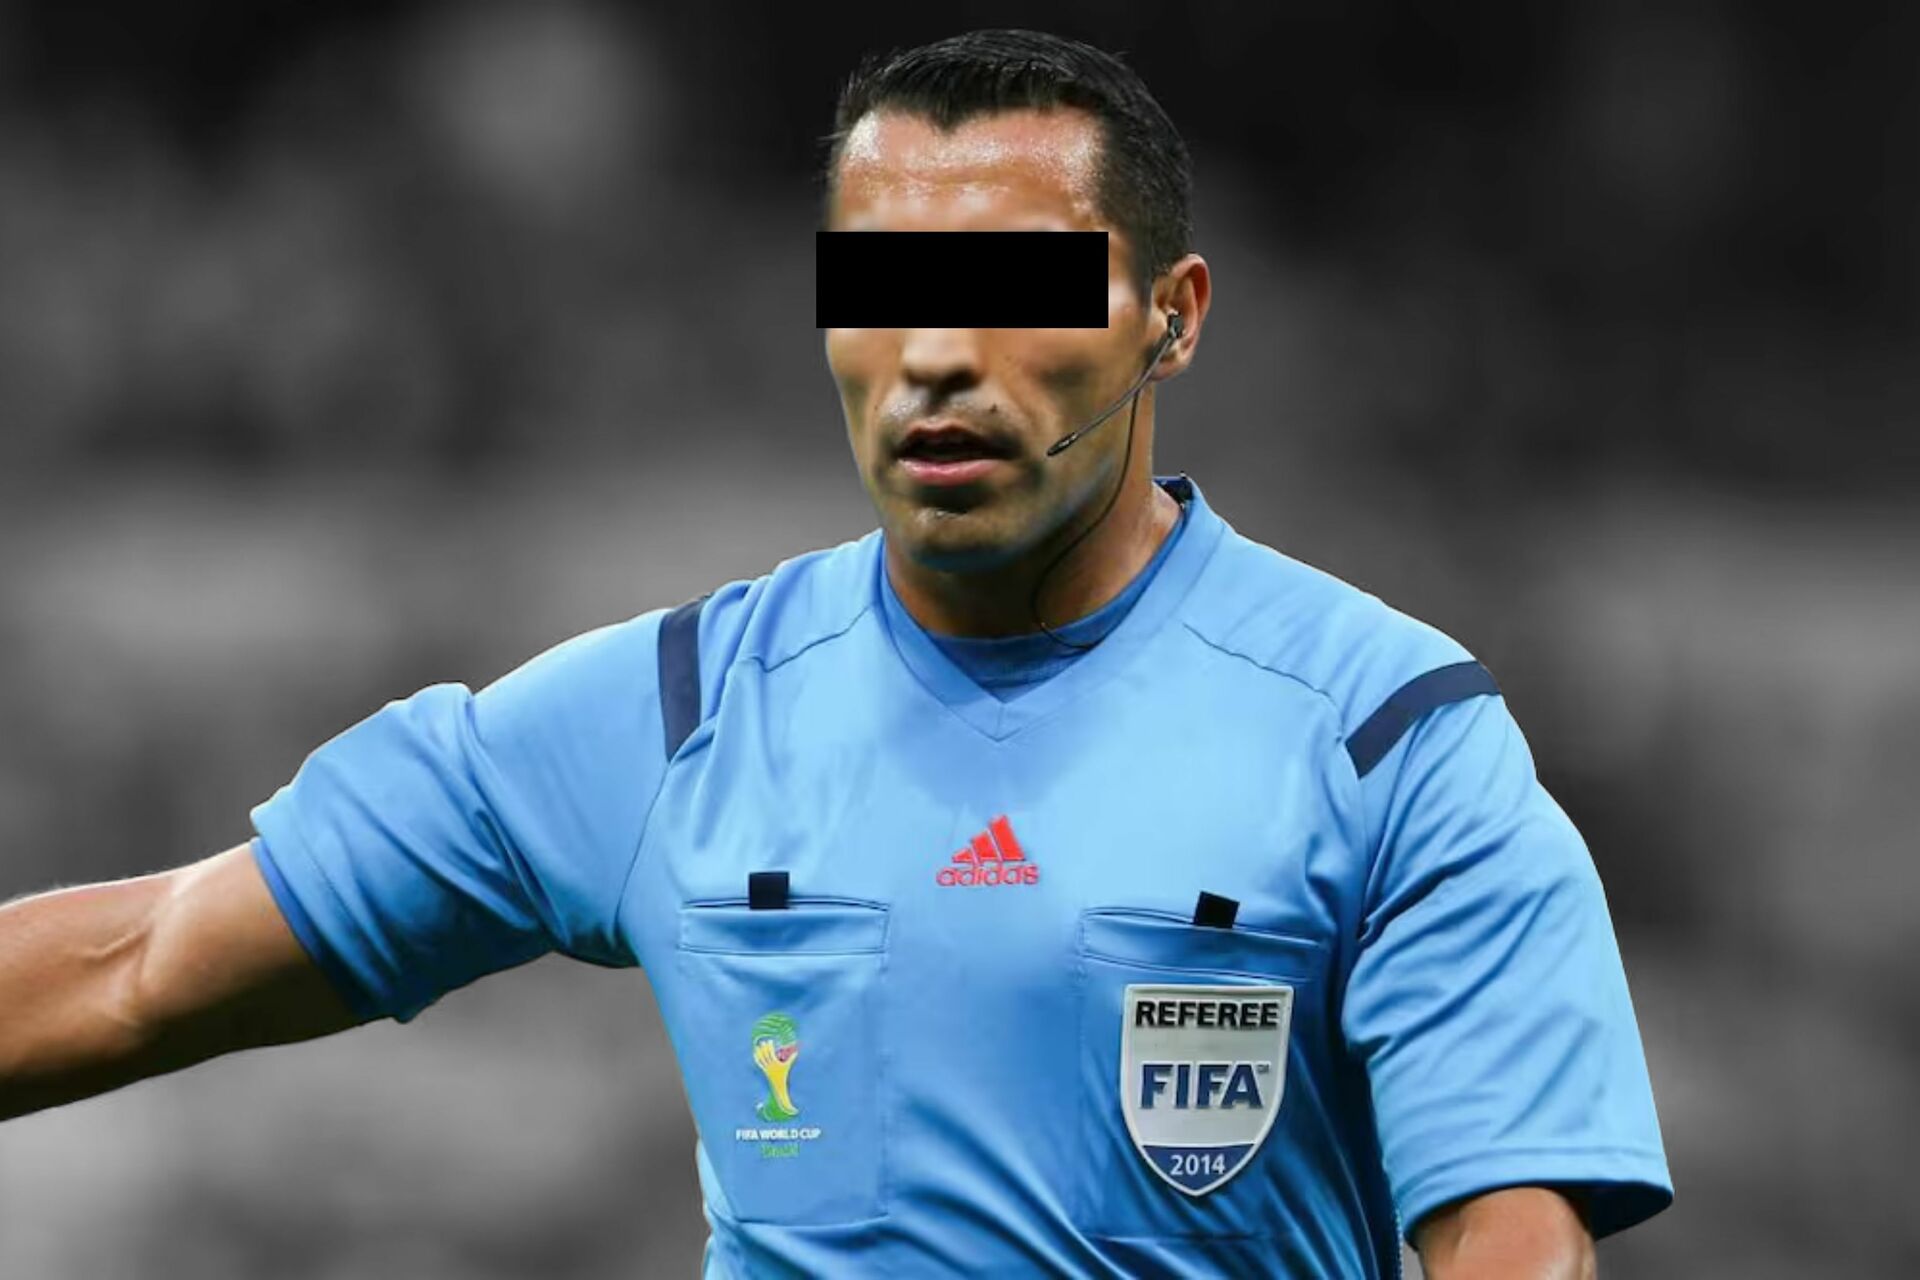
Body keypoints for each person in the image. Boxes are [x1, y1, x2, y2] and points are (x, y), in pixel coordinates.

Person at [0, 28, 1671, 1279]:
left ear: (1173, 316)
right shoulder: (676, 715)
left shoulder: (1388, 736)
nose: (935, 353)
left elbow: (1514, 1240)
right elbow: (139, 963)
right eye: (880, 286)